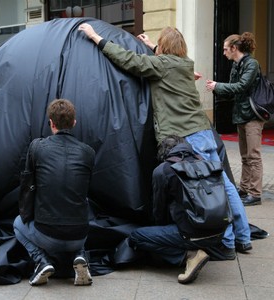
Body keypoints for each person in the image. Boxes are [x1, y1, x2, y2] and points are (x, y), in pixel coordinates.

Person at [78, 24, 252, 255]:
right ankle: (242, 237)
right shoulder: (185, 64)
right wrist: (151, 44)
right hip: (204, 131)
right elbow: (164, 58)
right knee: (225, 186)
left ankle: (226, 242)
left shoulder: (162, 65)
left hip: (188, 136)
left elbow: (128, 59)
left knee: (206, 190)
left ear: (165, 47)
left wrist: (95, 37)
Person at [13, 99, 95, 286]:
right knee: (83, 202)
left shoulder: (37, 147)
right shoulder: (88, 152)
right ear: (74, 123)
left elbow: (27, 185)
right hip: (79, 235)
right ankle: (80, 255)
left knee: (17, 223)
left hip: (45, 234)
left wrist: (27, 215)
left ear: (51, 122)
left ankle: (41, 260)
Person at [129, 135, 227, 284]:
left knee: (137, 236)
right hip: (220, 231)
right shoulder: (206, 163)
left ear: (163, 152)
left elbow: (159, 210)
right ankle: (202, 248)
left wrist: (160, 231)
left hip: (191, 233)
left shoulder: (163, 170)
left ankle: (190, 255)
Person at [206, 32, 263, 207]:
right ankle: (245, 188)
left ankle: (255, 193)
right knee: (245, 156)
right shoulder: (237, 65)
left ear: (234, 48)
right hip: (241, 114)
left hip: (252, 115)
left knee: (253, 155)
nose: (224, 53)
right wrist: (216, 87)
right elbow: (233, 89)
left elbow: (241, 86)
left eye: (225, 49)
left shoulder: (252, 64)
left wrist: (218, 86)